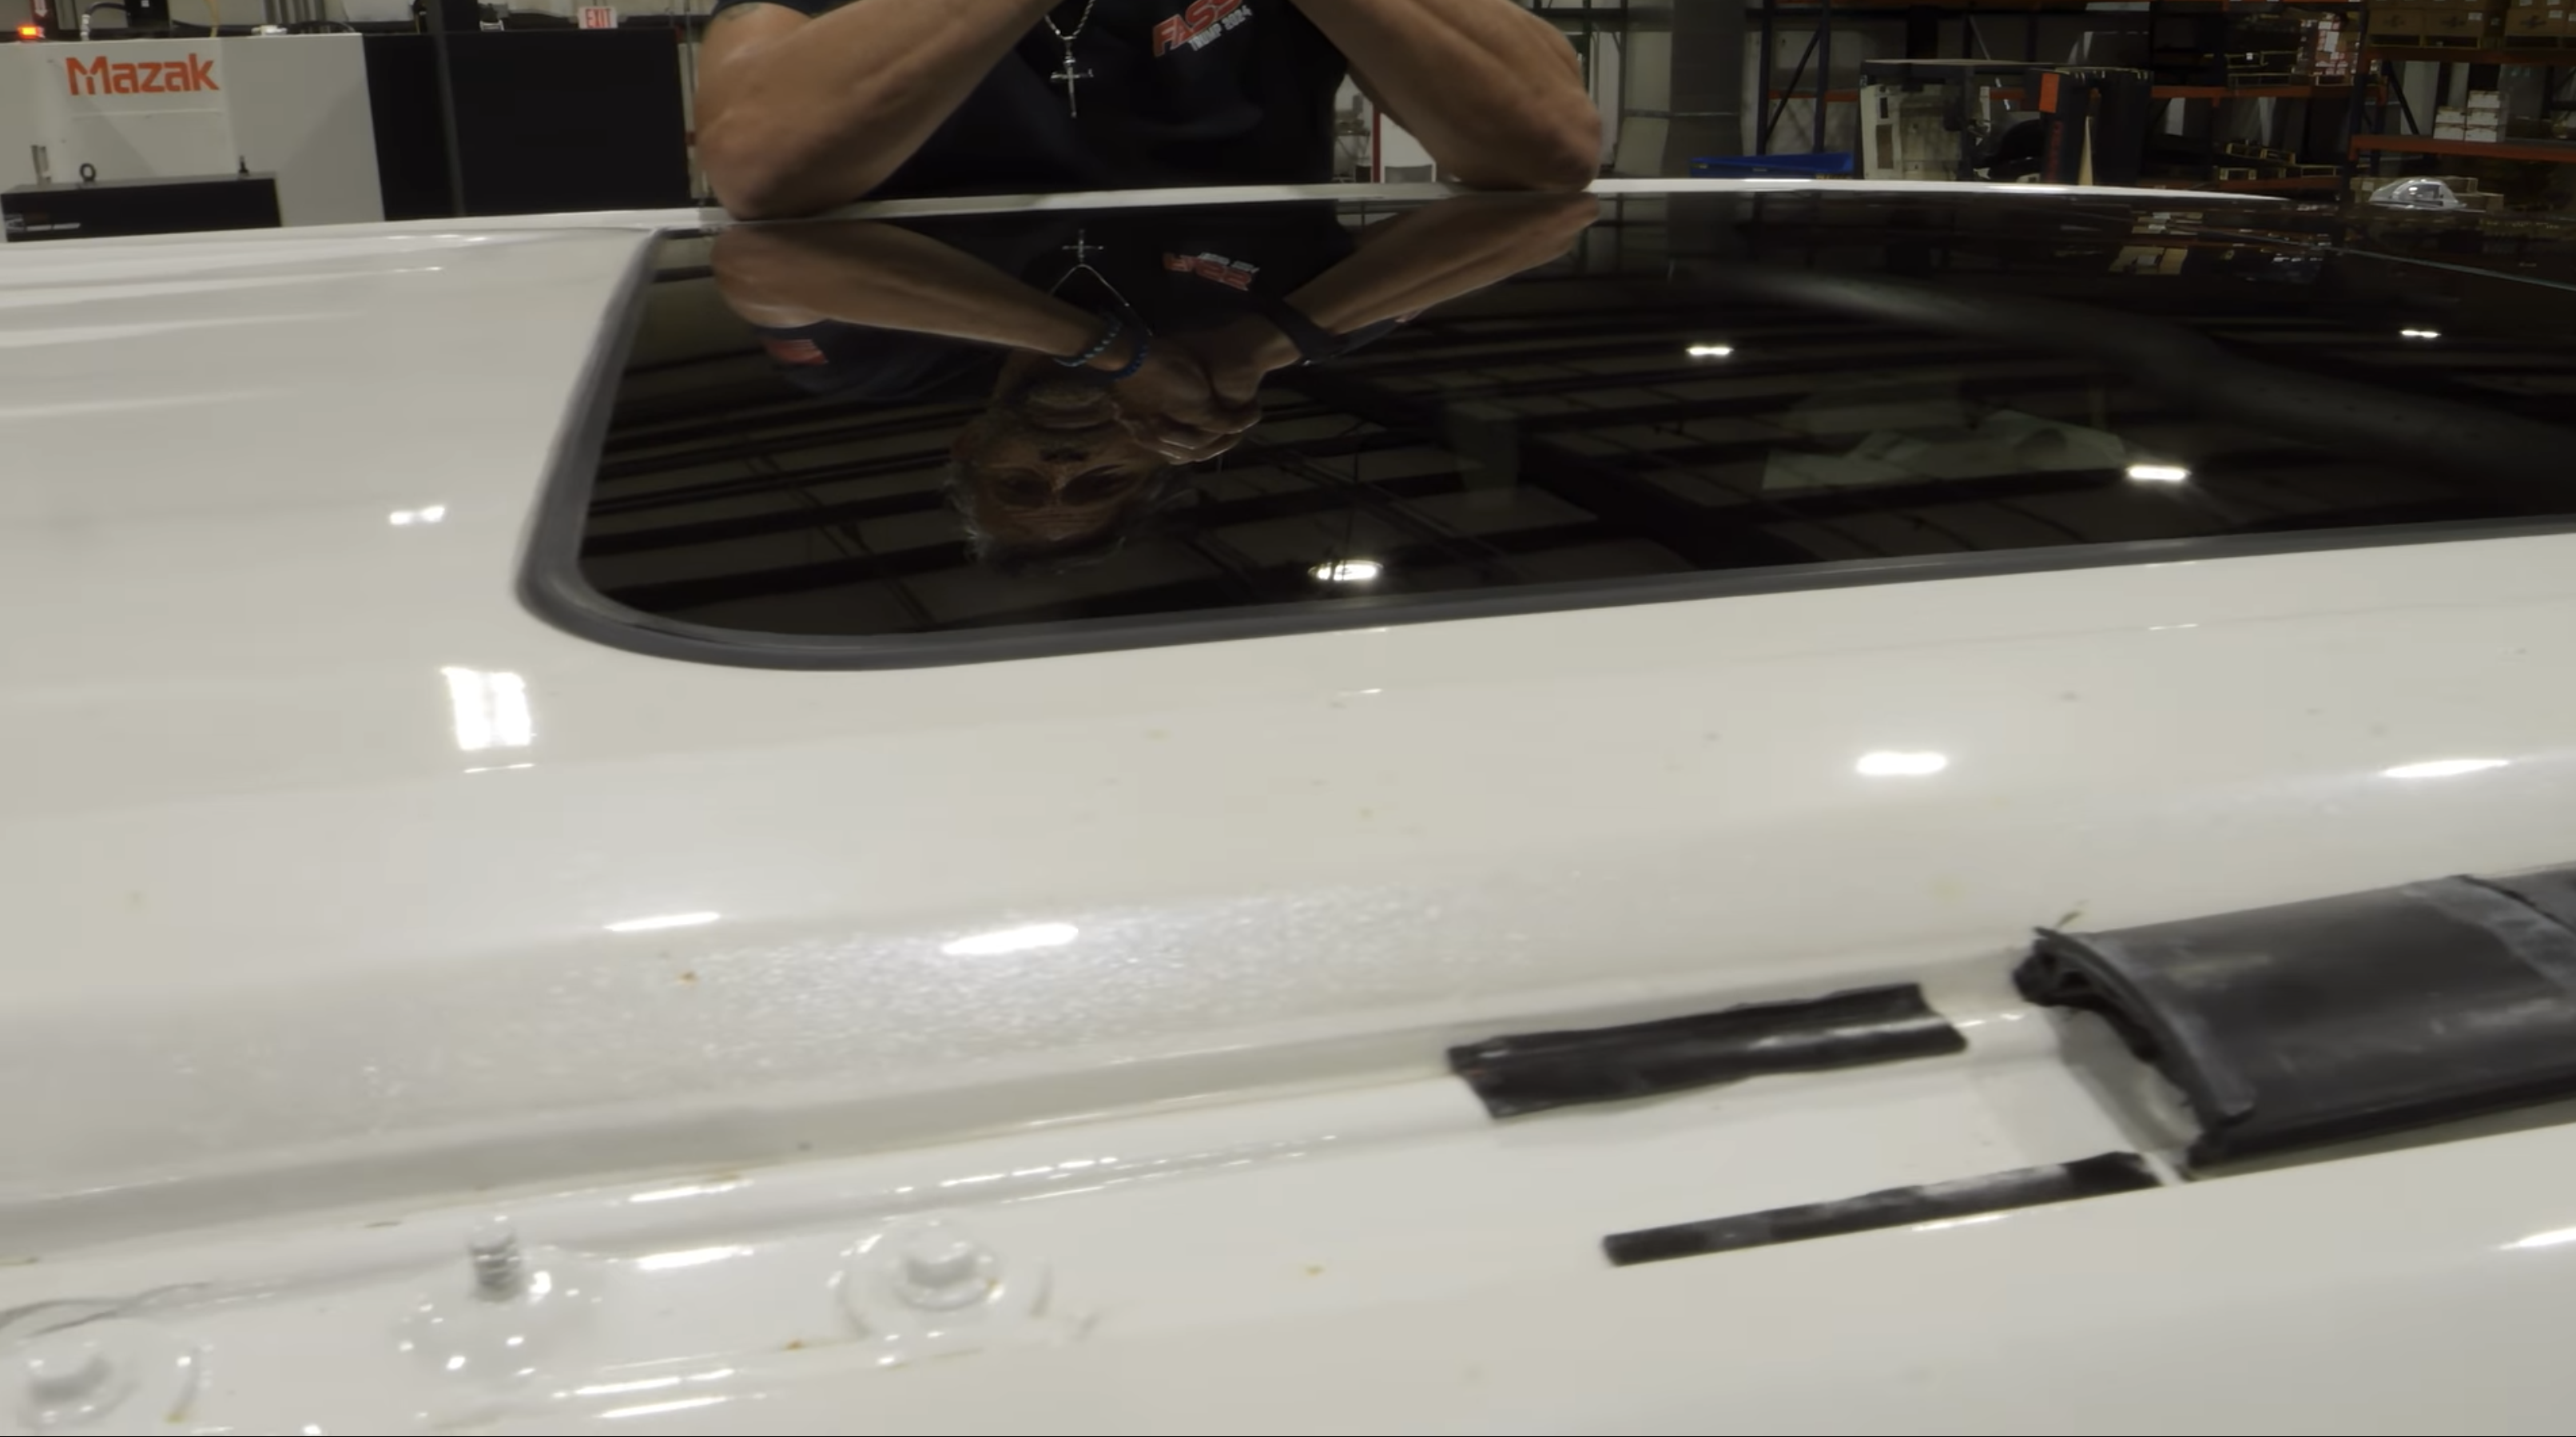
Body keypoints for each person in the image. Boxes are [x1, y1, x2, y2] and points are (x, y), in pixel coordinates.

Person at [711, 192, 1597, 570]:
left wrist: (1114, 353)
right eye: (1098, 482)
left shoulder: (875, 365)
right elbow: (1544, 218)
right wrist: (1261, 346)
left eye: (1021, 484)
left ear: (969, 445)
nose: (1062, 466)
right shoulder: (1274, 337)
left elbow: (760, 261)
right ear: (1161, 455)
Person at [693, 0, 1601, 215]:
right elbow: (758, 163)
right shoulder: (896, 381)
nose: (1071, 460)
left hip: (1250, 320)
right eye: (1092, 482)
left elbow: (1553, 145)